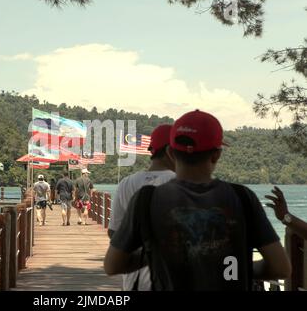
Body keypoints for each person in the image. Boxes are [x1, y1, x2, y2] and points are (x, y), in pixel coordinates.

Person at [104, 109, 291, 290]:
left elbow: (113, 266)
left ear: (171, 153)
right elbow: (281, 268)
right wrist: (235, 267)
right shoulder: (242, 197)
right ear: (217, 154)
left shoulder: (146, 199)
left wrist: (158, 253)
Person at [108, 124, 176, 291]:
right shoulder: (180, 183)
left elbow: (113, 232)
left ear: (152, 151)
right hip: (170, 278)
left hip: (134, 277)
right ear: (171, 151)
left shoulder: (126, 183)